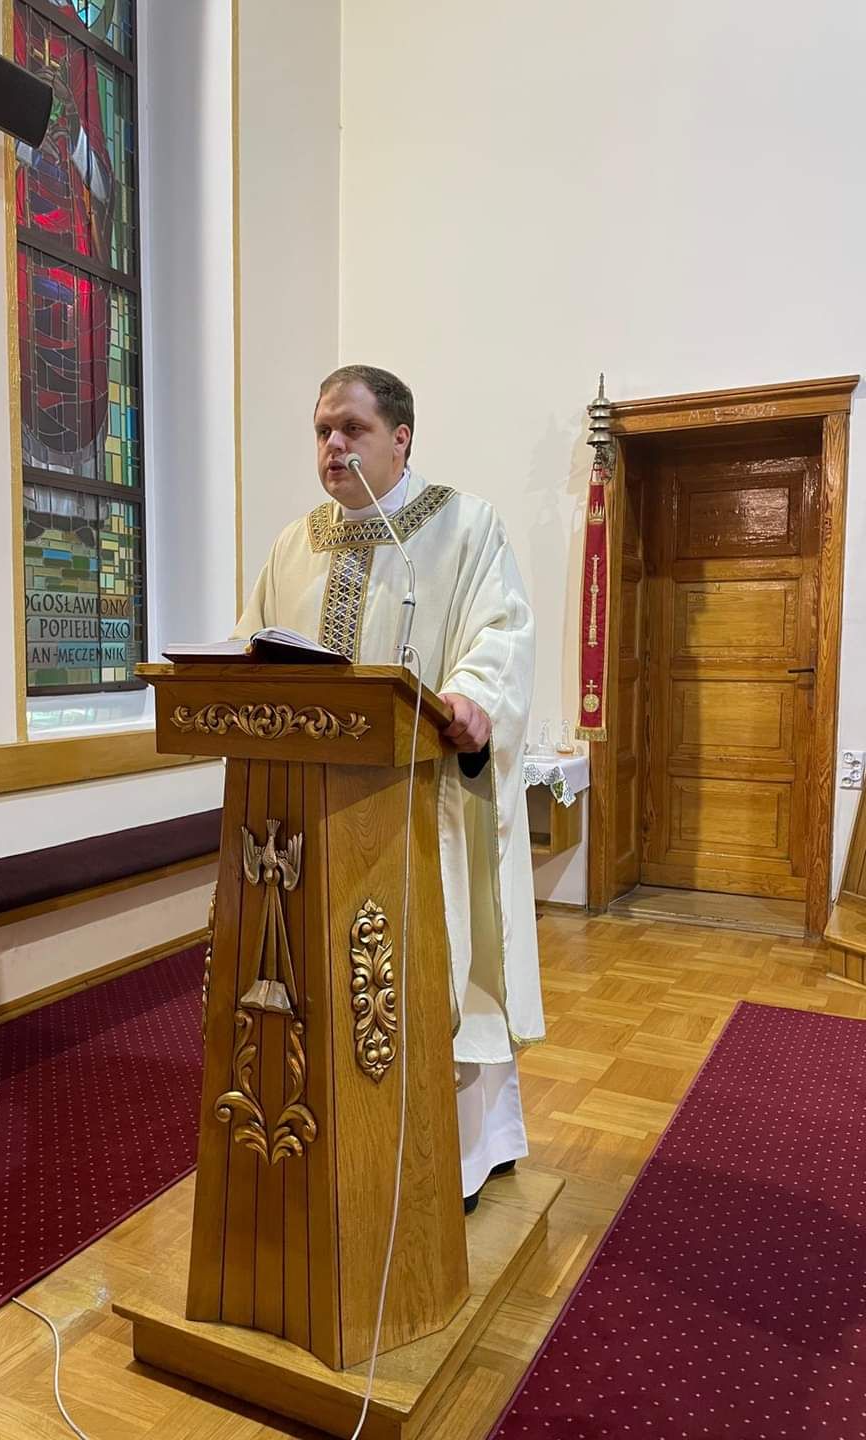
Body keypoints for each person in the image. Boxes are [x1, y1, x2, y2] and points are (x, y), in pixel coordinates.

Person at [234, 364, 543, 1213]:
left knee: (441, 976)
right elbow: (252, 647)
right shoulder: (295, 545)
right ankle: (342, 1145)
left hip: (424, 809)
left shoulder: (464, 526)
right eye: (322, 431)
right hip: (311, 821)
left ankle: (463, 1155)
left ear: (400, 438)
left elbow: (501, 636)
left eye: (352, 429)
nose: (333, 446)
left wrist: (472, 698)